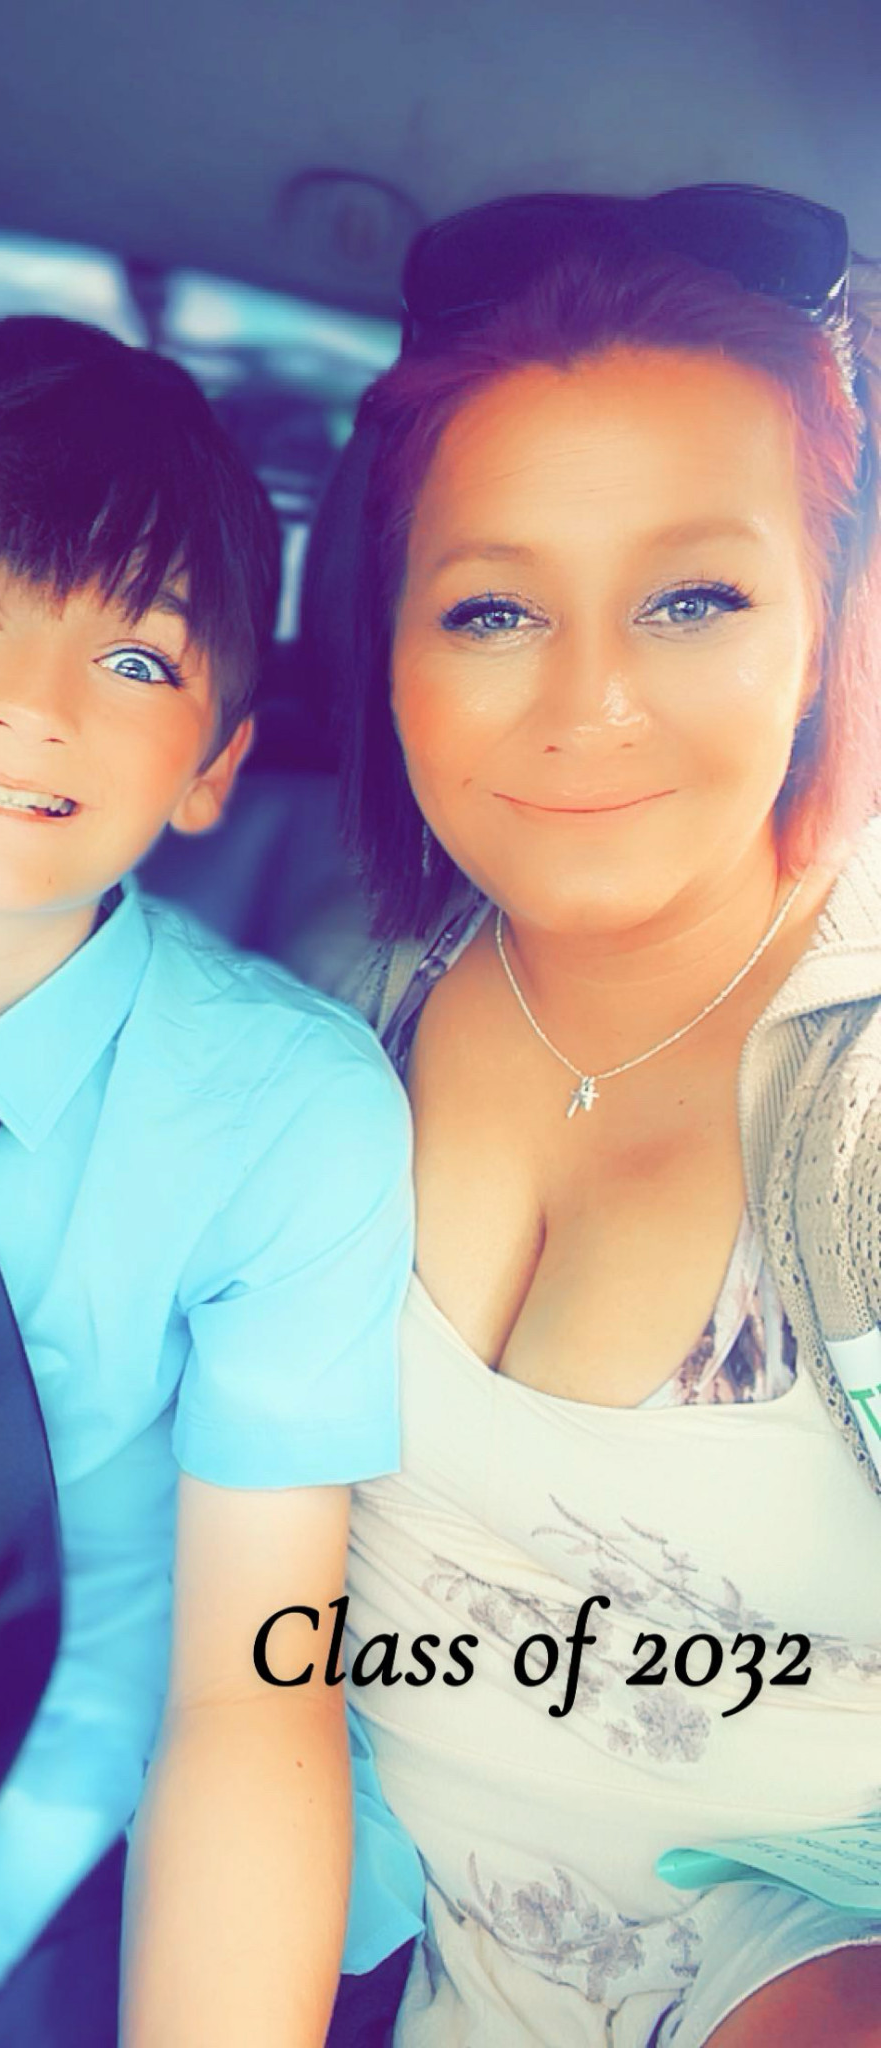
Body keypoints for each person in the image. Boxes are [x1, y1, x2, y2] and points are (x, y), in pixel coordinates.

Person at [0, 313, 417, 2046]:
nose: (31, 704)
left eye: (135, 658)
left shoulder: (289, 1118)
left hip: (73, 1772)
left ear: (215, 766)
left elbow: (245, 1683)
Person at [307, 185, 881, 2046]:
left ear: (830, 624)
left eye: (695, 598)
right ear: (387, 643)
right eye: (493, 608)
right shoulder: (341, 1008)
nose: (591, 704)